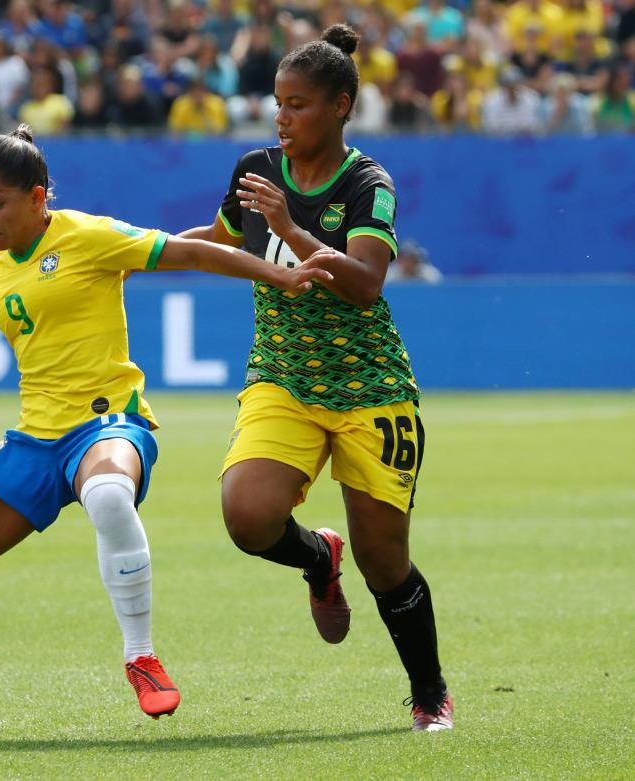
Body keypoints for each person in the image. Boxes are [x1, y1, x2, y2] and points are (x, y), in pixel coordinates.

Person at [0, 124, 335, 736]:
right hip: (36, 439)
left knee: (108, 493)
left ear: (38, 197)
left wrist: (282, 275)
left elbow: (192, 252)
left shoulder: (91, 236)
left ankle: (141, 657)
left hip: (109, 424)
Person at [181, 24, 453, 732]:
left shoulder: (369, 184)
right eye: (277, 102)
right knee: (246, 515)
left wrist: (293, 229)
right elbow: (220, 240)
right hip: (283, 376)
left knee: (384, 559)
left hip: (371, 387)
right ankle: (315, 557)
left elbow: (364, 283)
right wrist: (129, 248)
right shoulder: (255, 168)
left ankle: (430, 694)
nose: (282, 116)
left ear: (341, 106)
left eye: (298, 104)